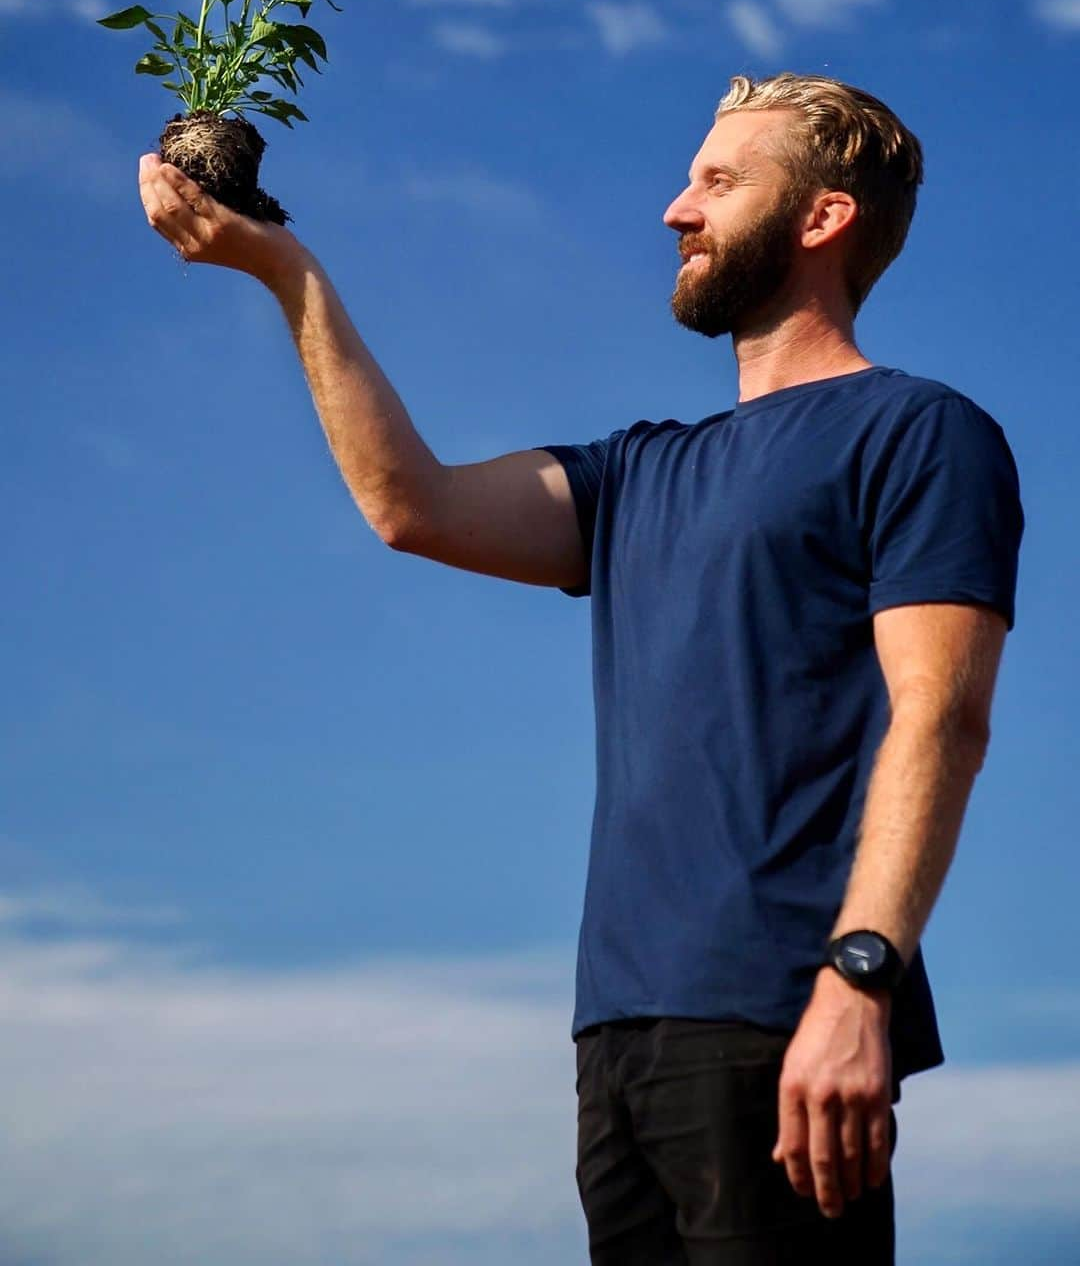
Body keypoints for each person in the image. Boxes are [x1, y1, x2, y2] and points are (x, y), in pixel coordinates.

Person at [138, 70, 1024, 1265]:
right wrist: (284, 271)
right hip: (616, 1033)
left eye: (718, 181)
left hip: (783, 1013)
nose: (675, 208)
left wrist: (859, 980)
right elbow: (413, 505)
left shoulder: (919, 432)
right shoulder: (635, 474)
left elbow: (941, 718)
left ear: (823, 218)